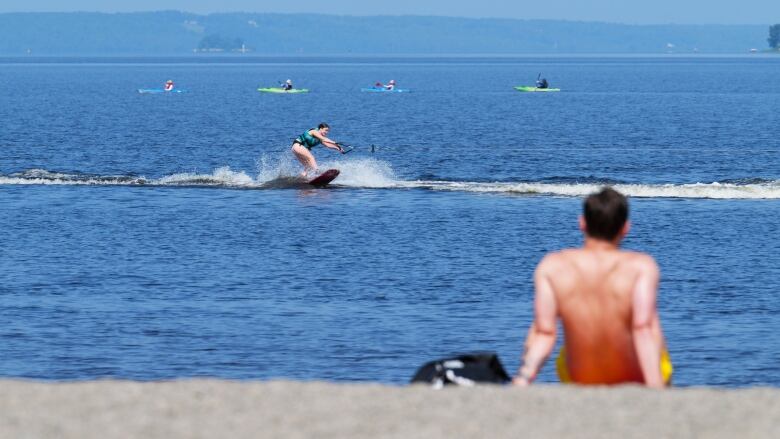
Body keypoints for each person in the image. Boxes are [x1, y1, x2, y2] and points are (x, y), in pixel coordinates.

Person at [513, 187, 672, 388]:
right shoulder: (641, 267)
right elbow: (642, 329)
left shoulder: (552, 266)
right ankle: (657, 383)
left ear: (582, 223)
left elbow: (545, 334)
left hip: (579, 375)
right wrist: (655, 388)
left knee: (542, 327)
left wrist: (523, 378)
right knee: (649, 322)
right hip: (634, 374)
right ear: (625, 228)